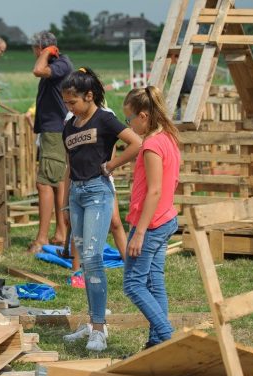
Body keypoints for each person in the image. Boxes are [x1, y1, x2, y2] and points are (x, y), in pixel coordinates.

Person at [60, 67, 142, 352]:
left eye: (73, 102)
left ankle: (98, 329)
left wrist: (111, 166)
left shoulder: (104, 119)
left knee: (94, 258)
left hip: (97, 192)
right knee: (84, 260)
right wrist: (65, 204)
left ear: (89, 96)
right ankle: (95, 321)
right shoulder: (69, 126)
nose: (69, 107)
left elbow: (136, 143)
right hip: (77, 195)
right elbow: (70, 166)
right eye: (66, 103)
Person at [122, 86, 181, 349]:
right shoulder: (167, 137)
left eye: (129, 119)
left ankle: (167, 336)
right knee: (153, 279)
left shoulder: (152, 145)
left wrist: (141, 232)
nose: (129, 125)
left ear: (143, 116)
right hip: (165, 219)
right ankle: (157, 343)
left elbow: (154, 190)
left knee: (133, 284)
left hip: (152, 224)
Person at [27, 31, 73, 254]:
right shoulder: (59, 64)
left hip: (55, 131)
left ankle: (42, 239)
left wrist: (45, 53)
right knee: (57, 183)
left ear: (42, 48)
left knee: (45, 183)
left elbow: (37, 70)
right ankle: (61, 233)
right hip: (52, 131)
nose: (34, 54)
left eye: (35, 49)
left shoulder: (61, 63)